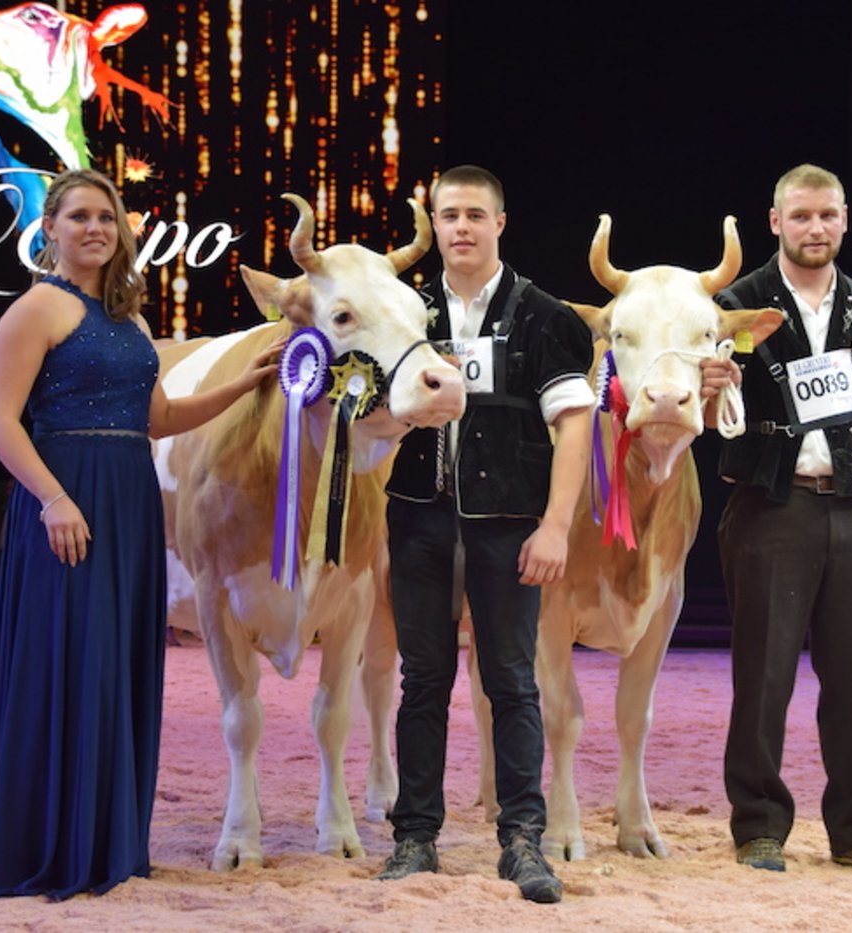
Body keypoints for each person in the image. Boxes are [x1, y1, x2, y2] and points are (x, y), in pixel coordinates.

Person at [0, 169, 282, 902]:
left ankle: (103, 843)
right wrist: (54, 499)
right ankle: (53, 843)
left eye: (107, 217)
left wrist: (245, 383)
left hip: (128, 502)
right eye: (79, 216)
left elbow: (159, 419)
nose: (95, 228)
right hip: (67, 501)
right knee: (70, 659)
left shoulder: (130, 321)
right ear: (50, 229)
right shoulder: (37, 308)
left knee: (116, 663)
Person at [378, 165, 594, 903]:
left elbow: (574, 425)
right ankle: (415, 836)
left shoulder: (543, 315)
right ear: (434, 225)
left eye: (475, 214)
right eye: (449, 215)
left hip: (509, 526)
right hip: (418, 518)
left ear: (501, 223)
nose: (462, 227)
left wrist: (556, 526)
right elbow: (367, 418)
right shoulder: (405, 313)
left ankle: (522, 839)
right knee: (423, 681)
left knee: (511, 681)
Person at [714, 164, 852, 874]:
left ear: (846, 219)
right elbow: (708, 415)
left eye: (827, 215)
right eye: (800, 215)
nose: (815, 228)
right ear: (775, 222)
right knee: (763, 677)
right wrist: (711, 385)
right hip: (772, 507)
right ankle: (759, 825)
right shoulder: (735, 305)